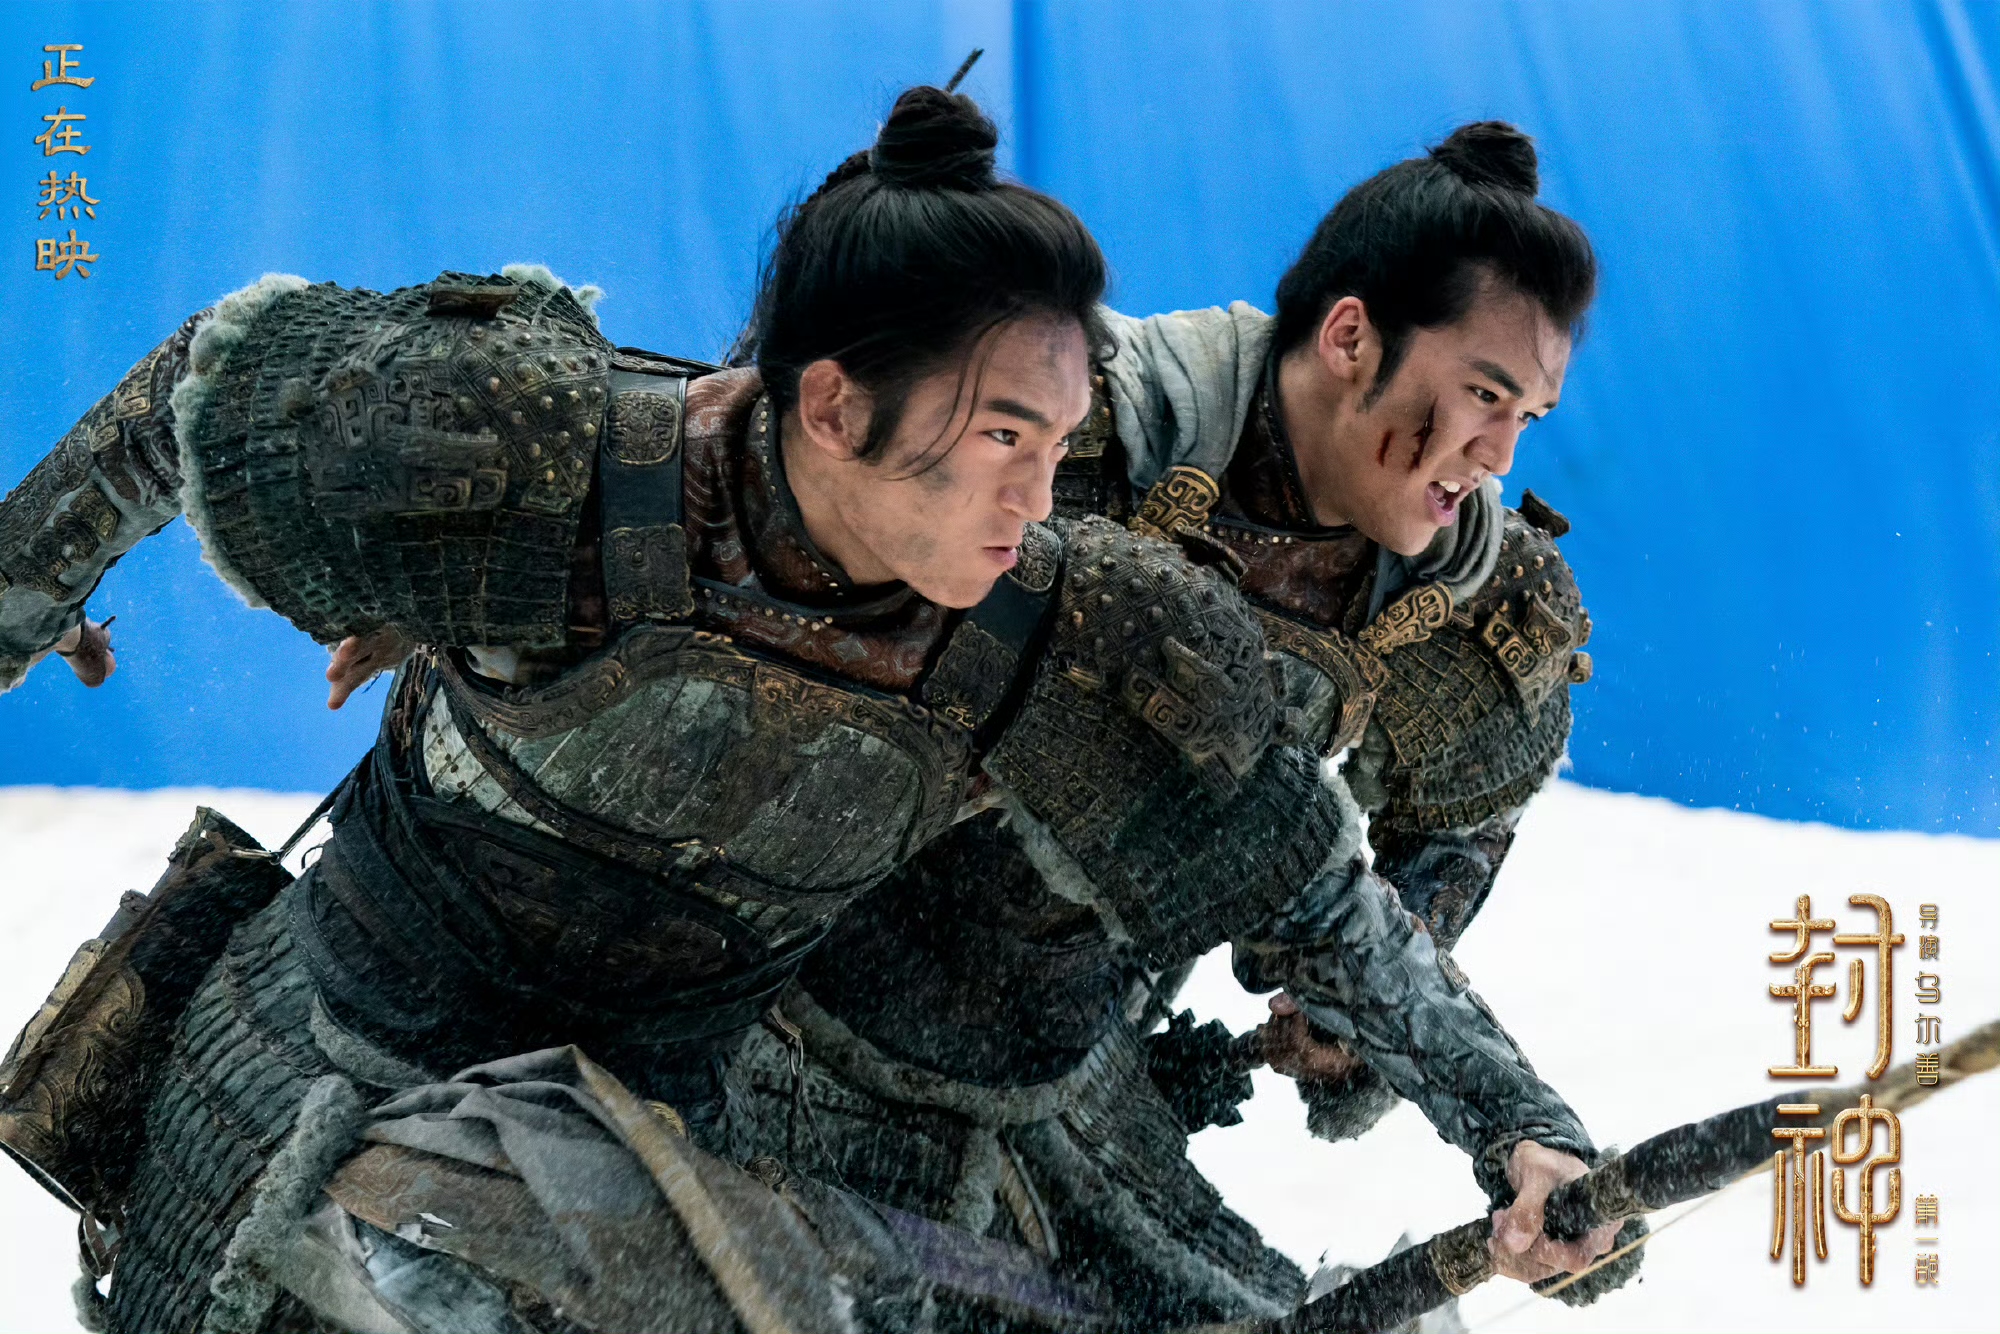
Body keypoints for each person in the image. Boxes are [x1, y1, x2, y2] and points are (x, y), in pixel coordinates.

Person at [0, 90, 1612, 1332]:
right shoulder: (539, 460)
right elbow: (198, 393)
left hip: (657, 1148)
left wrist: (1522, 1133)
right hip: (323, 1080)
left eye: (1058, 444)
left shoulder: (1055, 617)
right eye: (1006, 438)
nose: (1046, 499)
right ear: (834, 404)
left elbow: (1314, 892)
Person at [724, 121, 1640, 1325]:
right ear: (1350, 336)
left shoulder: (1461, 596)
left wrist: (1476, 1094)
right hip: (773, 1025)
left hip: (1069, 1077)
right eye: (1481, 395)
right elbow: (772, 504)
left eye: (1529, 414)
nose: (1497, 452)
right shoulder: (1062, 432)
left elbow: (1443, 818)